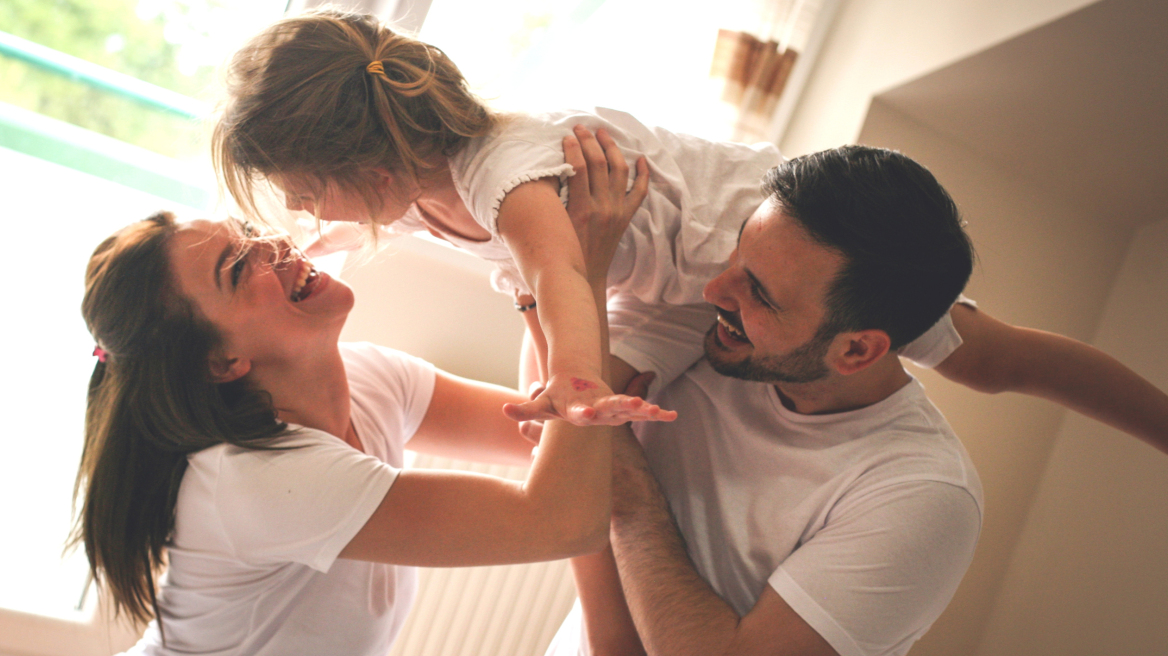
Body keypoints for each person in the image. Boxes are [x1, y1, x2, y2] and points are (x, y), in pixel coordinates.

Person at [542, 142, 1168, 656]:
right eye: (735, 254)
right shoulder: (703, 327)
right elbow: (551, 406)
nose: (714, 288)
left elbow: (1010, 360)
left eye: (759, 293)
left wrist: (618, 484)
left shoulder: (920, 497)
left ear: (858, 352)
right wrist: (570, 277)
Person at [70, 195, 660, 654]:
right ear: (222, 362)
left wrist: (541, 298)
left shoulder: (372, 377)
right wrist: (577, 273)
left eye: (248, 233)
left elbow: (540, 438)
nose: (272, 244)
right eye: (237, 267)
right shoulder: (257, 478)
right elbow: (562, 520)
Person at [211, 7, 782, 425]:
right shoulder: (411, 191)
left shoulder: (504, 175)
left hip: (736, 234)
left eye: (303, 195)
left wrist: (572, 380)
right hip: (662, 289)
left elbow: (557, 275)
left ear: (375, 177)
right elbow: (340, 232)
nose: (295, 210)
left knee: (563, 395)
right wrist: (292, 249)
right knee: (544, 418)